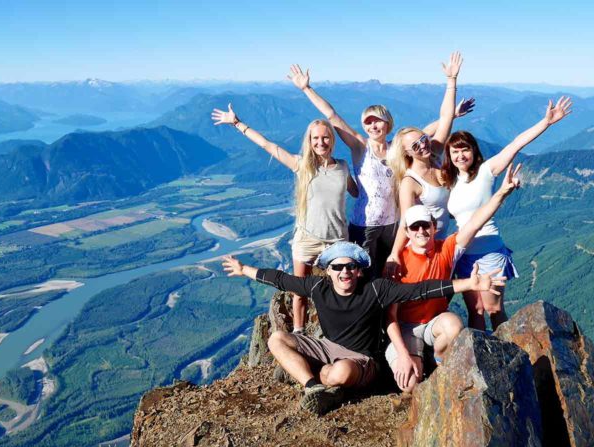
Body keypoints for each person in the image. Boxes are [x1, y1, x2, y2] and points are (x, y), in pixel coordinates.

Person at [221, 241, 505, 415]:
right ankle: (313, 388)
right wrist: (244, 269)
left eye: (350, 267)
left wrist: (470, 284)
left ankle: (328, 380)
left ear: (359, 270)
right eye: (337, 267)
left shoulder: (376, 289)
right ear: (328, 271)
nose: (344, 272)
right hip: (327, 348)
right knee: (276, 340)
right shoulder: (318, 287)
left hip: (362, 359)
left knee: (341, 371)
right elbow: (282, 280)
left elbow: (421, 290)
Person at [287, 61, 475, 277]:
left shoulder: (397, 148)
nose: (373, 126)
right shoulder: (360, 147)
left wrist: (450, 117)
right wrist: (306, 89)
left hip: (394, 223)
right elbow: (332, 116)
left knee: (393, 274)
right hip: (364, 225)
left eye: (378, 121)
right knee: (365, 276)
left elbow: (422, 134)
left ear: (388, 124)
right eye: (368, 122)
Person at [211, 106, 358, 334]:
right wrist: (237, 123)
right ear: (309, 141)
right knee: (299, 291)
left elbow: (358, 192)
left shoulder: (343, 167)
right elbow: (268, 145)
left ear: (332, 140)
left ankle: (339, 332)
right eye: (316, 138)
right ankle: (299, 333)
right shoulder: (301, 165)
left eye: (325, 137)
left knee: (341, 290)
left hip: (337, 241)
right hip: (307, 239)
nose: (321, 142)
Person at [386, 163, 522, 392]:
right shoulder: (397, 264)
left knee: (454, 326)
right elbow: (389, 317)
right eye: (415, 227)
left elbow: (476, 222)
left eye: (425, 226)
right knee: (409, 386)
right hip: (406, 328)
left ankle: (437, 359)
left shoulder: (446, 248)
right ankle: (419, 359)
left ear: (433, 226)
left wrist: (502, 192)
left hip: (434, 323)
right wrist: (402, 355)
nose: (421, 232)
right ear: (407, 232)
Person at [442, 97, 573, 331]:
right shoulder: (449, 181)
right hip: (462, 254)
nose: (460, 155)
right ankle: (479, 358)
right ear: (449, 155)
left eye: (465, 150)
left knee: (493, 309)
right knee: (476, 310)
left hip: (489, 251)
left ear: (474, 151)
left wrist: (546, 123)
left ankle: (506, 352)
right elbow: (424, 145)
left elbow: (515, 144)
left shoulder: (486, 171)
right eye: (455, 151)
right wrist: (450, 115)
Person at [382, 53, 466, 281]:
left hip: (443, 245)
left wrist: (451, 81)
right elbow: (405, 222)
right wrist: (394, 255)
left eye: (423, 139)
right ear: (406, 153)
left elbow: (446, 118)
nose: (422, 145)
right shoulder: (410, 183)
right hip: (421, 251)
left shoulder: (436, 155)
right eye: (415, 145)